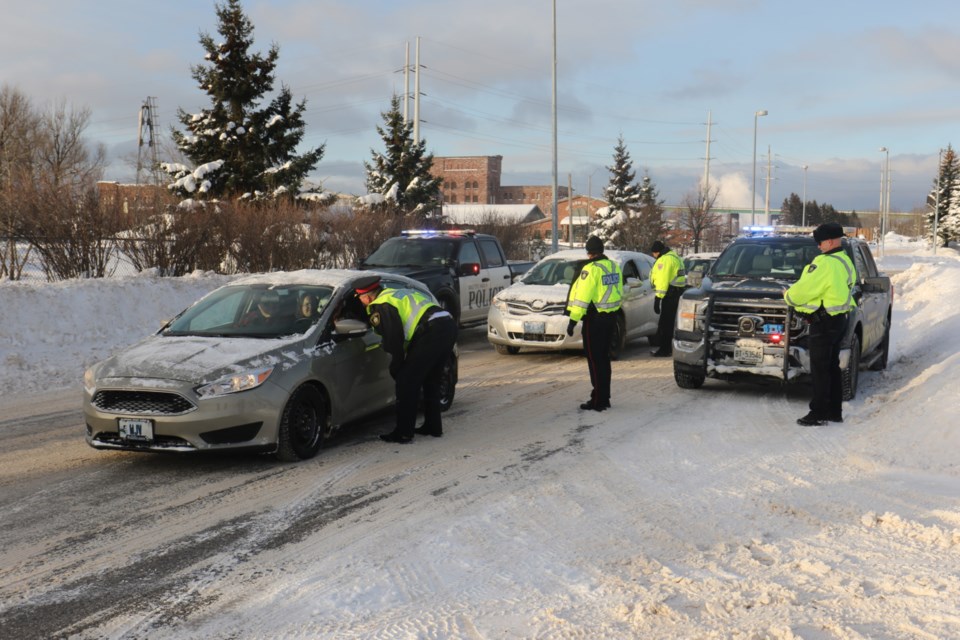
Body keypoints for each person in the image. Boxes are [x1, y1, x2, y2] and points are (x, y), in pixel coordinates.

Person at [354, 275, 458, 443]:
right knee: (431, 379)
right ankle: (433, 427)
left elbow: (393, 338)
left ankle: (403, 433)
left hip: (431, 331)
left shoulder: (381, 305)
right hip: (447, 324)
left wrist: (397, 366)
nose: (361, 302)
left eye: (359, 298)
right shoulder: (393, 293)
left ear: (366, 296)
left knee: (406, 382)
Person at [784, 222, 857, 427]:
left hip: (823, 322)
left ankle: (818, 413)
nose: (818, 246)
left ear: (831, 241)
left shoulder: (825, 263)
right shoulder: (845, 260)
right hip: (838, 320)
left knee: (820, 370)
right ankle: (834, 412)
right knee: (832, 368)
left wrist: (788, 296)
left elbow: (805, 290)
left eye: (820, 242)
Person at [565, 235, 623, 412]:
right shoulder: (613, 266)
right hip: (611, 318)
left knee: (595, 360)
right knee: (604, 359)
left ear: (589, 252)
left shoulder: (590, 270)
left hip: (595, 320)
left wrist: (573, 320)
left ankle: (598, 400)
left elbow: (582, 298)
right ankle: (604, 396)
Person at [649, 240, 687, 357]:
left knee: (666, 324)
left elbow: (663, 280)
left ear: (657, 252)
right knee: (669, 323)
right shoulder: (675, 257)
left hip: (669, 295)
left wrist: (658, 298)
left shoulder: (664, 260)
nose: (653, 256)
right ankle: (666, 348)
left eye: (653, 253)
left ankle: (665, 350)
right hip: (677, 293)